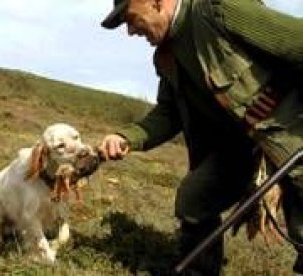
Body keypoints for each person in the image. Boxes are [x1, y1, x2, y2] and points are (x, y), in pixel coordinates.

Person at [98, 0, 303, 275]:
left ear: (155, 2)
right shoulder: (166, 57)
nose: (131, 32)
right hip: (238, 147)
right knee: (194, 199)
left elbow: (297, 42)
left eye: (131, 19)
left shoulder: (218, 9)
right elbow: (168, 114)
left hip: (290, 133)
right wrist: (127, 137)